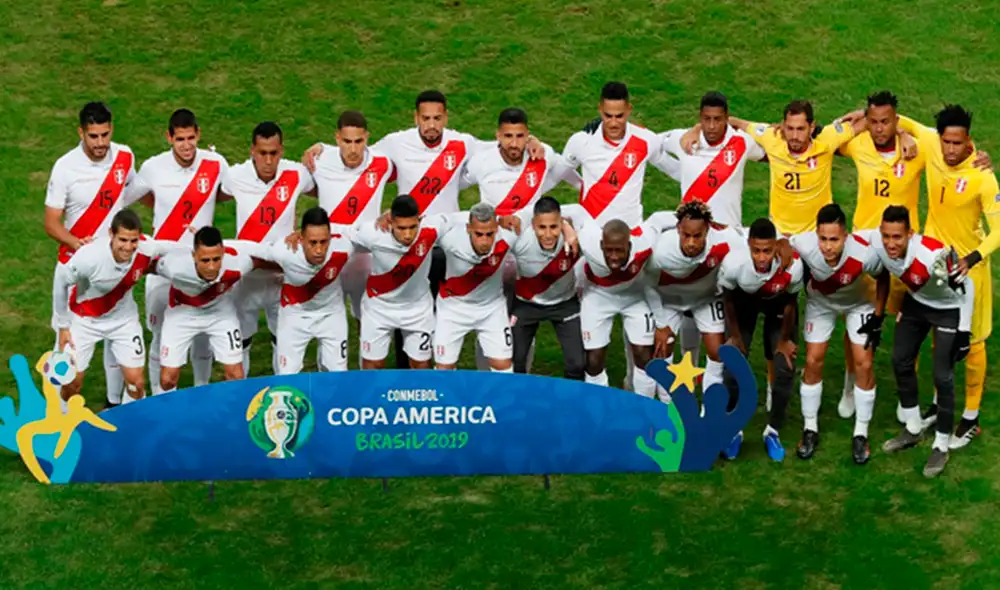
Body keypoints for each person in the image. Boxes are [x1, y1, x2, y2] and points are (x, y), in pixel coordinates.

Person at [896, 105, 1000, 449]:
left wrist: (973, 258)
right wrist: (902, 133)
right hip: (933, 269)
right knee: (939, 339)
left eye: (958, 143)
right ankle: (941, 405)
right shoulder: (930, 143)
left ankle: (970, 418)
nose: (951, 150)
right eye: (946, 142)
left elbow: (999, 229)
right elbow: (894, 118)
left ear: (968, 140)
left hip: (971, 274)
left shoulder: (983, 176)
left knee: (972, 345)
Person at [44, 101, 140, 408]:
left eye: (105, 134)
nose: (100, 143)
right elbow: (50, 222)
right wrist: (76, 244)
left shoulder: (124, 156)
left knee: (125, 358)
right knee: (69, 370)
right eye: (93, 136)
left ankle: (118, 415)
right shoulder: (65, 167)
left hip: (115, 267)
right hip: (79, 276)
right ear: (81, 133)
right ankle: (56, 426)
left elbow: (132, 192)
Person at [131, 108, 228, 393]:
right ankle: (157, 400)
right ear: (169, 138)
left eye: (191, 138)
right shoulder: (153, 167)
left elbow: (230, 191)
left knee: (202, 335)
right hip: (162, 266)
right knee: (160, 335)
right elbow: (132, 197)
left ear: (198, 134)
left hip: (201, 266)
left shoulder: (215, 164)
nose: (186, 145)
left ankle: (201, 391)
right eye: (180, 139)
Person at [874, 206, 973, 478]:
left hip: (948, 309)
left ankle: (941, 444)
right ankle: (914, 428)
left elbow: (969, 286)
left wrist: (964, 331)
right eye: (886, 236)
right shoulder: (878, 243)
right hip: (916, 304)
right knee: (900, 360)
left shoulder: (934, 255)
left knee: (943, 376)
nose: (891, 243)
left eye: (897, 237)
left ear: (910, 233)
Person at [789, 204, 889, 464]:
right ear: (816, 235)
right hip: (820, 304)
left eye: (834, 239)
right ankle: (810, 428)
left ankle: (861, 433)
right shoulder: (803, 244)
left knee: (864, 362)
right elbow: (782, 247)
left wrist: (878, 317)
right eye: (823, 239)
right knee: (812, 360)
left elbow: (883, 277)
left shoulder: (864, 253)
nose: (828, 246)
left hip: (859, 305)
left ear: (846, 236)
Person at [220, 122, 316, 376]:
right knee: (241, 342)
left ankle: (282, 401)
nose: (268, 160)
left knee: (283, 341)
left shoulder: (297, 174)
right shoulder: (234, 176)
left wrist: (320, 148)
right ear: (252, 150)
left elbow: (328, 188)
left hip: (281, 276)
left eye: (273, 153)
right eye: (262, 153)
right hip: (247, 277)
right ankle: (239, 399)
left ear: (281, 150)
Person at [52, 210, 176, 405]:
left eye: (133, 241)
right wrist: (63, 326)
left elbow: (170, 247)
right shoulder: (90, 257)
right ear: (111, 234)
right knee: (71, 383)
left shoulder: (145, 248)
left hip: (123, 321)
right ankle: (67, 426)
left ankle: (127, 428)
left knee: (136, 383)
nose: (128, 247)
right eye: (123, 240)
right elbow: (61, 281)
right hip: (84, 321)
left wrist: (198, 247)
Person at [717, 218, 804, 462]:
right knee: (732, 368)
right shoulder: (734, 264)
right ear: (749, 246)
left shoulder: (792, 266)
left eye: (767, 251)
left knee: (784, 368)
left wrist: (785, 339)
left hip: (778, 306)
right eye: (756, 250)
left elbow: (790, 302)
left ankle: (773, 431)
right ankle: (734, 431)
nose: (762, 257)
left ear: (776, 246)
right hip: (744, 306)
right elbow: (729, 299)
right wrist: (734, 336)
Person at [349, 195, 464, 369]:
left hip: (417, 308)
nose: (408, 234)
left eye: (412, 227)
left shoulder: (431, 228)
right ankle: (371, 396)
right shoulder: (373, 232)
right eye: (402, 228)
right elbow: (339, 234)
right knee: (374, 363)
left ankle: (418, 395)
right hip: (379, 308)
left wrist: (502, 219)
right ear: (391, 222)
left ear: (420, 220)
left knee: (421, 364)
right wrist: (301, 235)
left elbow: (461, 218)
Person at [154, 227, 271, 392]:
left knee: (236, 375)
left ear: (223, 253)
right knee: (167, 380)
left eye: (216, 259)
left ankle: (231, 412)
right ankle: (170, 413)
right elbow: (147, 265)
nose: (211, 267)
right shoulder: (174, 266)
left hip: (220, 313)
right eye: (205, 260)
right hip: (182, 314)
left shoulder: (237, 263)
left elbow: (263, 262)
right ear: (194, 256)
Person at [646, 200, 744, 395]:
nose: (691, 242)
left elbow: (747, 251)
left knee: (717, 352)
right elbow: (647, 285)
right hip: (669, 300)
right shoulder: (661, 250)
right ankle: (670, 407)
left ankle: (708, 411)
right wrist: (661, 324)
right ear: (678, 230)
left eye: (697, 236)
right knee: (661, 351)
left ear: (708, 230)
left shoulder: (727, 239)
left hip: (705, 298)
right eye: (686, 235)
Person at [308, 110, 392, 329]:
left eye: (359, 141)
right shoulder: (319, 160)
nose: (353, 149)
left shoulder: (383, 163)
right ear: (337, 139)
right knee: (326, 320)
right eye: (347, 141)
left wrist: (393, 211)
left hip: (366, 257)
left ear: (367, 138)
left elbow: (414, 178)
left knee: (368, 320)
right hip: (330, 255)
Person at [268, 207, 354, 375]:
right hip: (294, 316)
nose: (319, 250)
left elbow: (366, 232)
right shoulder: (284, 251)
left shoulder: (344, 246)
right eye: (313, 242)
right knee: (287, 375)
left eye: (324, 242)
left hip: (331, 314)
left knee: (338, 373)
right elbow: (254, 254)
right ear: (301, 239)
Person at [434, 203, 518, 371]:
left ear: (496, 228)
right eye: (479, 234)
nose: (485, 241)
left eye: (490, 234)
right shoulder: (450, 239)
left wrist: (566, 228)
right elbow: (420, 227)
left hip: (491, 308)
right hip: (452, 309)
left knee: (503, 366)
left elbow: (540, 218)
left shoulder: (509, 236)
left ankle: (499, 398)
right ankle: (450, 398)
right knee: (444, 368)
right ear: (468, 228)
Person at [508, 197, 585, 379]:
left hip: (565, 304)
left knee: (578, 364)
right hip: (526, 304)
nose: (549, 235)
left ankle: (571, 403)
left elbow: (578, 210)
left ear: (561, 224)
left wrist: (568, 227)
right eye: (542, 227)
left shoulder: (578, 239)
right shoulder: (519, 239)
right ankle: (517, 401)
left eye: (554, 227)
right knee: (513, 361)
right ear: (533, 225)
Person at [667, 91, 767, 228]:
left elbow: (773, 148)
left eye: (717, 119)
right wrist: (677, 171)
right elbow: (651, 144)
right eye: (707, 119)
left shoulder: (741, 142)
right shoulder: (684, 140)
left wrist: (738, 122)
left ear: (726, 117)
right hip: (692, 235)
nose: (712, 126)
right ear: (700, 118)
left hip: (729, 232)